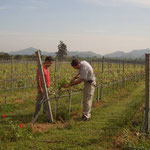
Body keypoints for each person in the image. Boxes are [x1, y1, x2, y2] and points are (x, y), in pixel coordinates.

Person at [32, 56, 54, 121]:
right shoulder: (40, 68)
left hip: (46, 87)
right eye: (50, 63)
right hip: (42, 87)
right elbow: (38, 78)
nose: (51, 65)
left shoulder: (46, 68)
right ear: (46, 61)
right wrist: (40, 88)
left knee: (46, 101)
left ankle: (45, 113)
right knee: (39, 101)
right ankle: (35, 115)